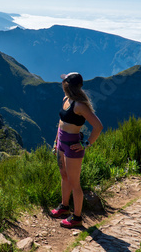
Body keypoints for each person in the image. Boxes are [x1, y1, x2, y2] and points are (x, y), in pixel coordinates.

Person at [51, 72, 103, 228]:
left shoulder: (80, 106)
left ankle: (77, 217)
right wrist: (56, 141)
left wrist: (86, 144)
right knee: (64, 175)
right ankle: (64, 207)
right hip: (61, 143)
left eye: (64, 82)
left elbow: (98, 126)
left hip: (73, 146)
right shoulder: (66, 100)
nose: (62, 84)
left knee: (74, 182)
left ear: (67, 85)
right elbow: (61, 122)